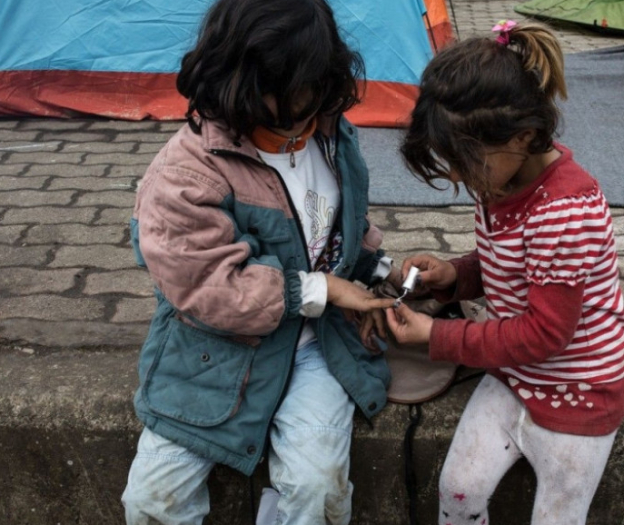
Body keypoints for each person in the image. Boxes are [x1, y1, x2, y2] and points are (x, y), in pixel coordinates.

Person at [120, 0, 397, 523]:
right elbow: (209, 285)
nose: (297, 130)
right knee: (152, 502)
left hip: (319, 348)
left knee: (317, 489)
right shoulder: (185, 173)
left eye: (308, 104)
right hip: (213, 355)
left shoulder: (331, 133)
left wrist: (383, 271)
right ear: (233, 82)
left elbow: (341, 228)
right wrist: (320, 290)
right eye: (278, 108)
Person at [385, 20, 624, 525]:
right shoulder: (499, 181)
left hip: (578, 392)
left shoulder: (565, 212)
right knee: (457, 492)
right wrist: (454, 276)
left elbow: (545, 334)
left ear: (523, 137)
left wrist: (436, 335)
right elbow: (510, 264)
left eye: (464, 160)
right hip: (513, 372)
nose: (456, 175)